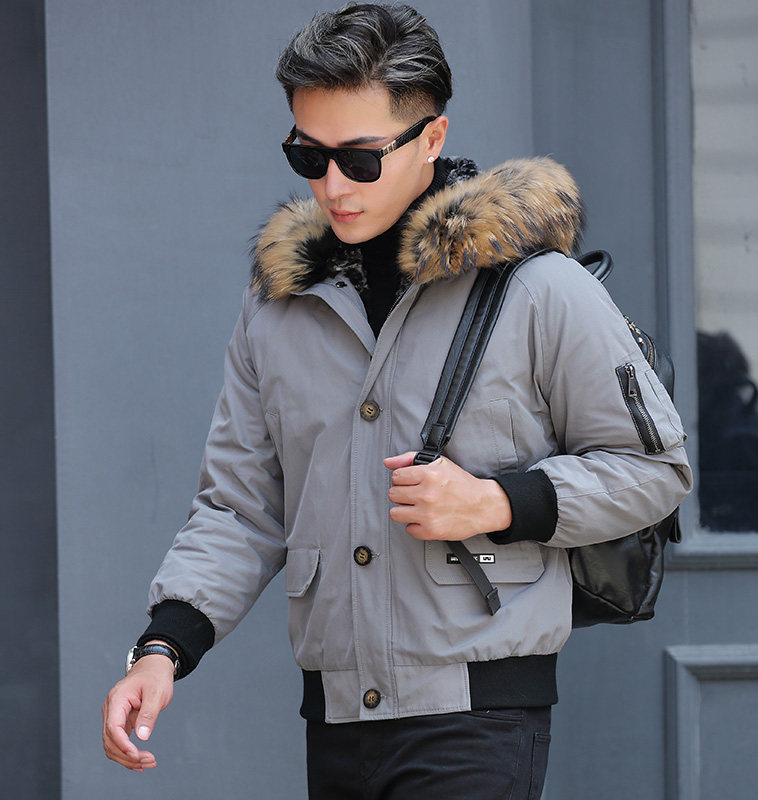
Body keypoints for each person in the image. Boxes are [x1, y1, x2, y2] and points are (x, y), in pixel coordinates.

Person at [101, 4, 692, 797]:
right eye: (308, 155)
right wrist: (162, 649)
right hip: (335, 721)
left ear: (432, 138)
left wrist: (496, 502)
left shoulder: (537, 288)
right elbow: (240, 508)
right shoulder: (277, 306)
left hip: (478, 718)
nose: (331, 185)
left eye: (359, 159)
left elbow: (655, 470)